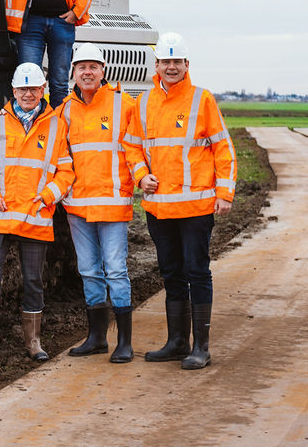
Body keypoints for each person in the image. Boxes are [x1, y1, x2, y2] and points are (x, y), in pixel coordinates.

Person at [124, 32, 236, 370]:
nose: (171, 67)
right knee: (171, 273)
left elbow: (223, 148)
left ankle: (201, 347)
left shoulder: (202, 100)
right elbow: (132, 146)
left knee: (196, 272)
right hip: (159, 207)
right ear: (156, 65)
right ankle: (177, 342)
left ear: (187, 64)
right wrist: (141, 175)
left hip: (196, 208)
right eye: (165, 62)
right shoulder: (144, 103)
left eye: (177, 61)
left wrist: (224, 193)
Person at [0, 62, 74, 362]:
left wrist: (48, 197)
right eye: (23, 89)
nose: (28, 94)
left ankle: (33, 341)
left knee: (34, 281)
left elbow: (66, 171)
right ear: (13, 91)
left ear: (43, 90)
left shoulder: (56, 125)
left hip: (34, 216)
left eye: (34, 89)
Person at [59, 43, 135, 363]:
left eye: (93, 67)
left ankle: (125, 342)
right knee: (89, 271)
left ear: (103, 71)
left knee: (115, 271)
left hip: (113, 203)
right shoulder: (65, 109)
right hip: (78, 205)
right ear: (73, 73)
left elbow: (137, 149)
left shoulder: (124, 104)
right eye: (82, 67)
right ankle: (97, 338)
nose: (87, 72)